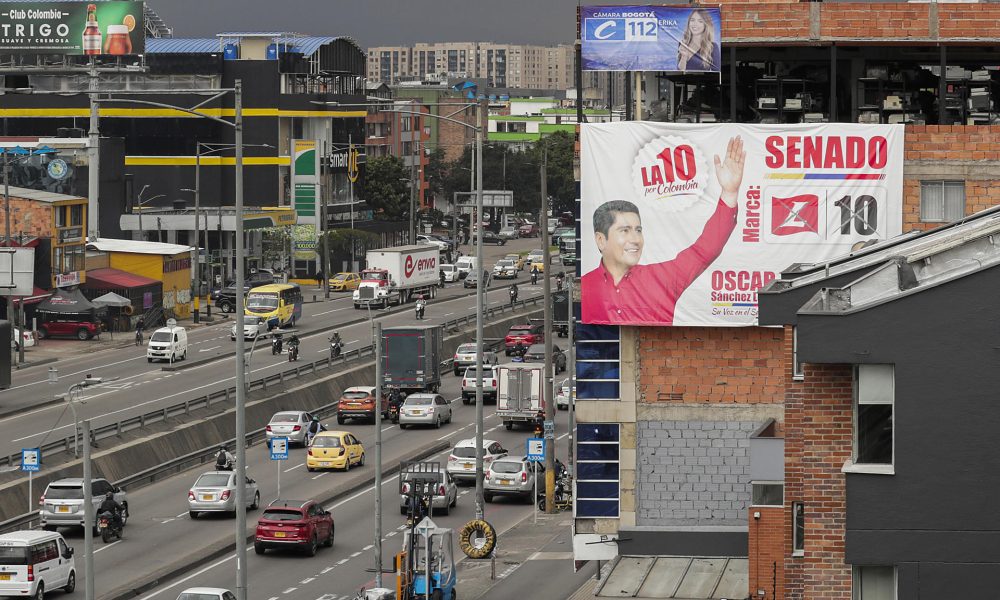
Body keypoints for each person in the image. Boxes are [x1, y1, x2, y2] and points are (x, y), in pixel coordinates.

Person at [581, 136, 745, 325]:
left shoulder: (661, 279)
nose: (635, 239)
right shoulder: (585, 286)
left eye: (638, 230)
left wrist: (729, 193)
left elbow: (705, 250)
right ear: (601, 240)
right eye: (624, 231)